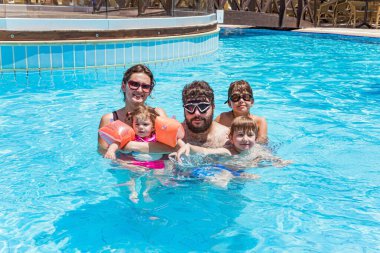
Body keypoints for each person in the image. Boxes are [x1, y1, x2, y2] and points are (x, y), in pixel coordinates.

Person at [102, 105, 172, 203]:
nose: (141, 127)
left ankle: (147, 192)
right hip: (135, 164)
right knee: (127, 173)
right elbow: (117, 142)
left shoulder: (157, 137)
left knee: (156, 175)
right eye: (137, 124)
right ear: (132, 125)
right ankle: (132, 192)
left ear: (153, 127)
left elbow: (172, 145)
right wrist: (111, 150)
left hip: (155, 164)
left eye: (145, 124)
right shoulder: (131, 136)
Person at [98, 64, 171, 153]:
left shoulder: (157, 114)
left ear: (150, 91)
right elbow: (104, 153)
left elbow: (171, 147)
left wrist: (130, 145)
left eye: (145, 86)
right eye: (134, 84)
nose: (140, 90)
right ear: (124, 87)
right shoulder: (109, 119)